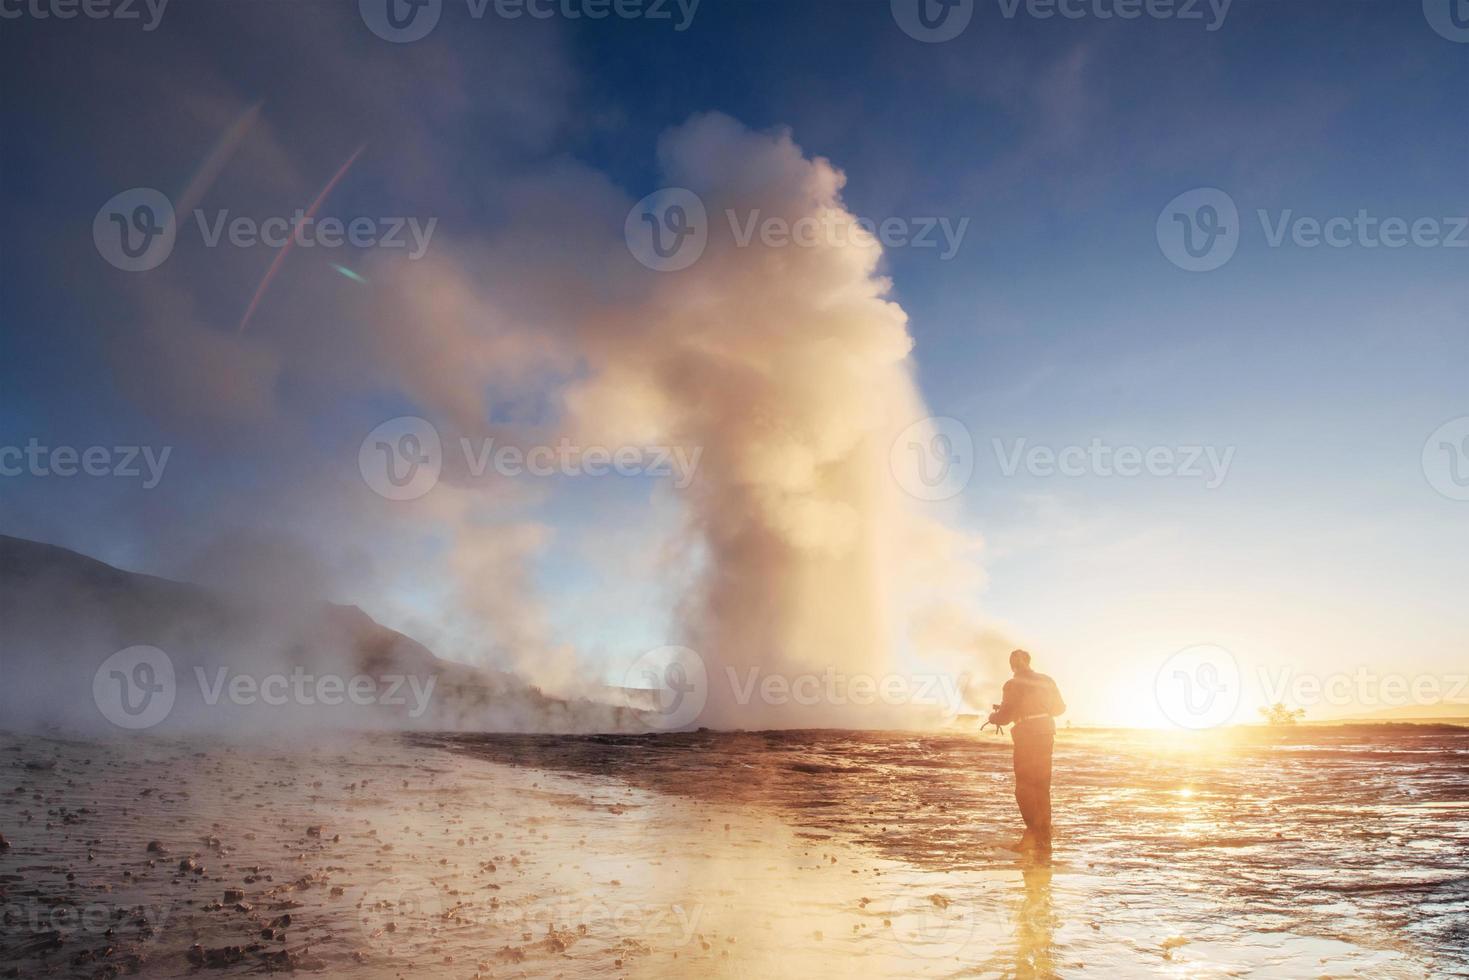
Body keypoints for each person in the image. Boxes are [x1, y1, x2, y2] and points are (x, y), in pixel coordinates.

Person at [987, 649, 1066, 851]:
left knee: (1024, 787)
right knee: (1042, 786)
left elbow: (1004, 717)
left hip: (1027, 736)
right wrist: (1039, 709)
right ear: (1029, 661)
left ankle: (1032, 835)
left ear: (1012, 665)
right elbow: (1059, 709)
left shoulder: (1012, 684)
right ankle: (1044, 836)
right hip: (1046, 734)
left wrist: (993, 717)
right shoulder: (1046, 680)